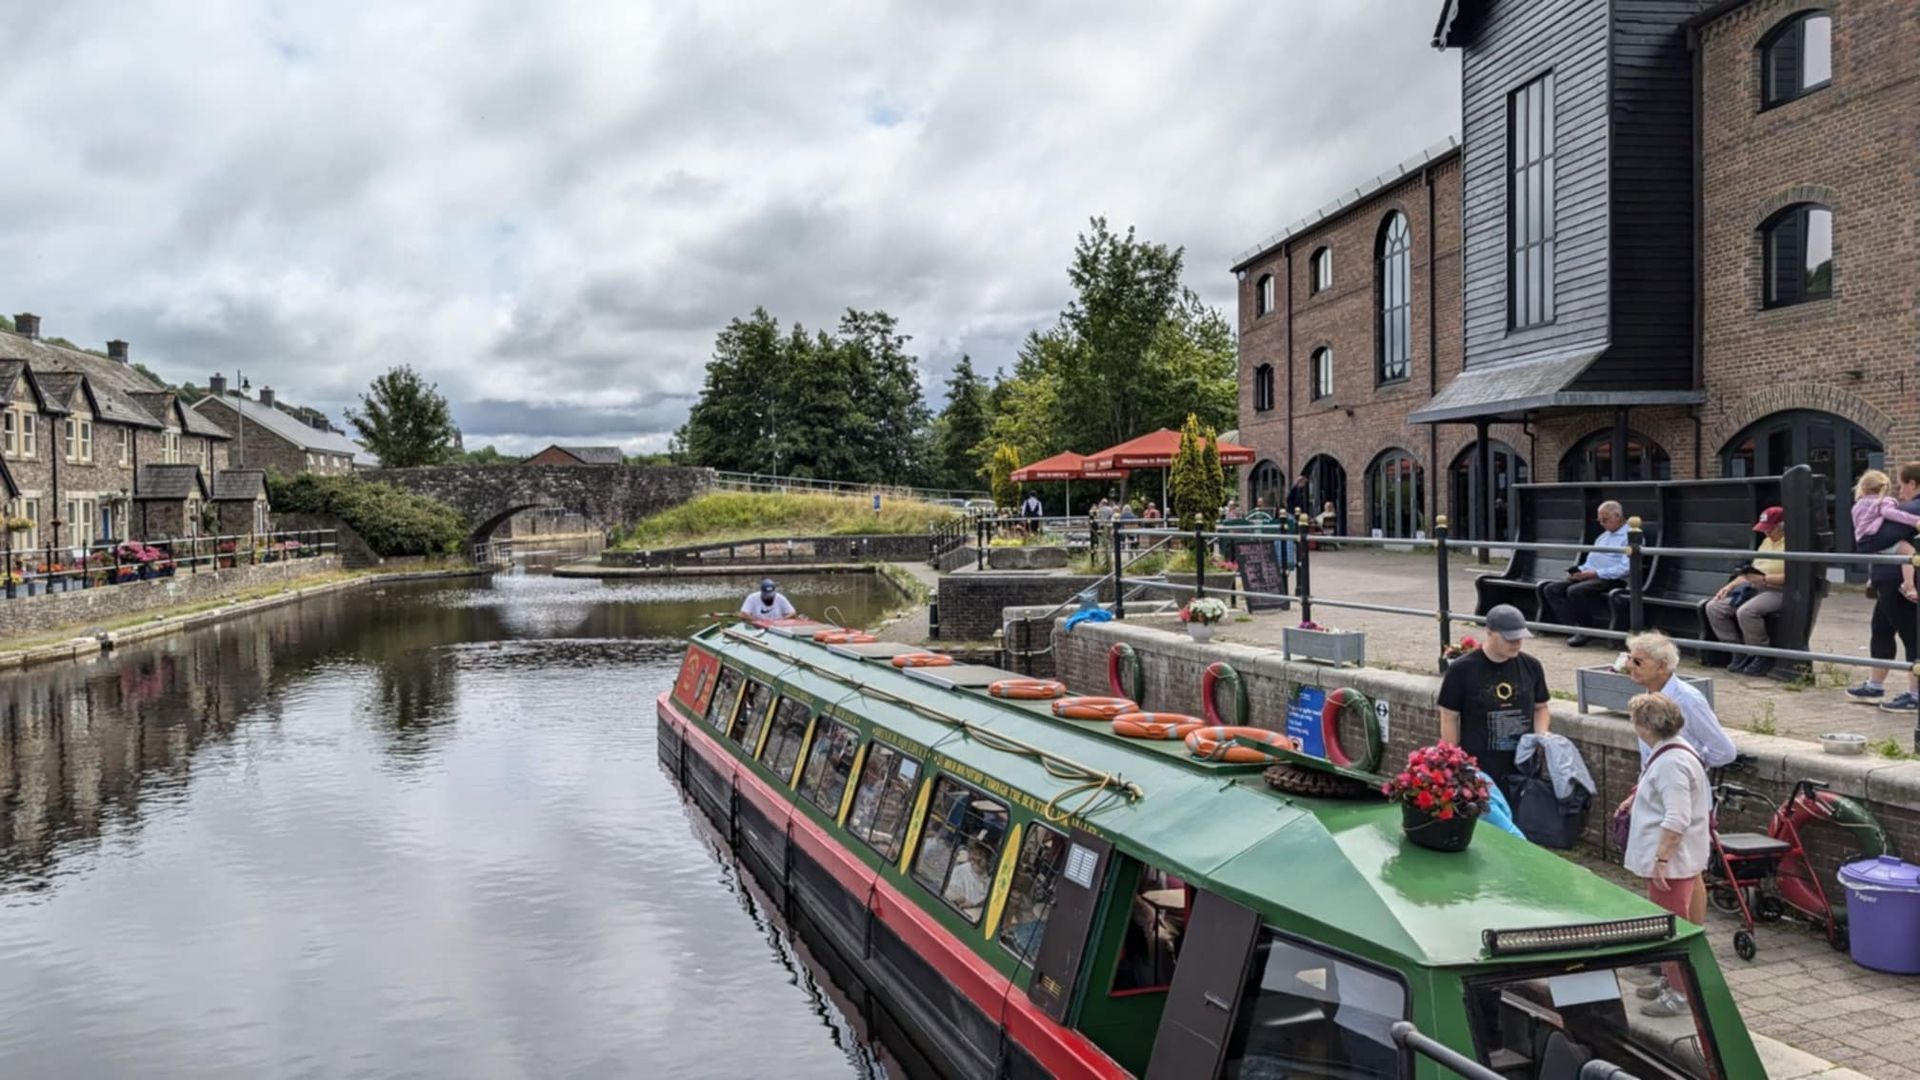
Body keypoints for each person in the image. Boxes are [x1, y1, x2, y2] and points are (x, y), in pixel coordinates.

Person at [1619, 630, 1736, 926]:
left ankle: (1685, 939)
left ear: (1662, 666)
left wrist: (1688, 766)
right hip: (1660, 782)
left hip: (1679, 791)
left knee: (1684, 868)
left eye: (1638, 661)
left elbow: (1724, 750)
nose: (1629, 665)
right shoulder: (1648, 698)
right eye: (1630, 658)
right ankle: (1692, 934)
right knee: (1690, 869)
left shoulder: (1688, 699)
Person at [1622, 692, 1711, 1019]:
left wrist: (1661, 860)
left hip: (1672, 865)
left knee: (1670, 927)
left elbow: (1677, 818)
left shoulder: (1672, 762)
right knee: (1668, 923)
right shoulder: (1676, 752)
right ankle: (1670, 982)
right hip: (1674, 861)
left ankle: (1680, 993)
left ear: (1645, 726)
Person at [1438, 604, 1551, 796]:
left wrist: (1541, 734)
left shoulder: (1531, 666)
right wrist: (1454, 761)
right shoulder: (1462, 669)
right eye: (1509, 638)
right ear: (1489, 633)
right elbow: (1449, 717)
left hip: (1522, 767)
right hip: (1480, 768)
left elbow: (1541, 707)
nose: (1516, 643)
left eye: (1519, 638)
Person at [1852, 463, 1920, 711]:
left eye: (1901, 485)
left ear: (1912, 484)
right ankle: (1876, 684)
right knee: (1881, 629)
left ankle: (1915, 695)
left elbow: (1873, 542)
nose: (1900, 491)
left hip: (1897, 583)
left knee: (1912, 635)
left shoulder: (1912, 507)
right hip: (1888, 579)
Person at [1703, 506, 1788, 677]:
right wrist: (1730, 586)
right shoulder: (1766, 543)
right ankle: (1736, 649)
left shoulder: (1790, 544)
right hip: (1756, 586)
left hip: (1777, 589)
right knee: (1714, 607)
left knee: (1747, 611)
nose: (1766, 533)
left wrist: (1765, 579)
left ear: (1782, 526)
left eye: (1770, 529)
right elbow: (1752, 573)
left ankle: (1761, 653)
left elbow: (1792, 576)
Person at [1538, 500, 1631, 647]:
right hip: (1591, 575)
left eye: (1605, 520)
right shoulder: (1603, 537)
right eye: (1599, 520)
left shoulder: (1629, 536)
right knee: (1551, 588)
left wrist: (1595, 573)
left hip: (1612, 578)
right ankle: (1572, 627)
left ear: (1617, 516)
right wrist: (1579, 571)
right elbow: (1590, 562)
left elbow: (1625, 568)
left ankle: (1586, 629)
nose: (1602, 524)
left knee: (1575, 591)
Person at [1851, 469, 1920, 600]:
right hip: (1874, 536)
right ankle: (1909, 586)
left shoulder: (1858, 504)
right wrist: (1915, 521)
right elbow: (1893, 515)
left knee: (1876, 552)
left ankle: (1871, 580)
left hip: (1861, 538)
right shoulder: (1884, 501)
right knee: (1910, 552)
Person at [943, 841, 995, 920]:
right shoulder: (960, 871)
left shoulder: (990, 878)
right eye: (977, 854)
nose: (979, 858)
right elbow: (953, 899)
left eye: (983, 855)